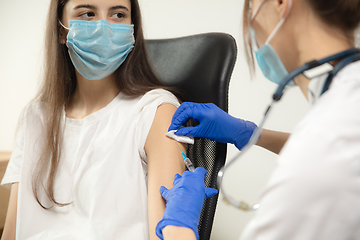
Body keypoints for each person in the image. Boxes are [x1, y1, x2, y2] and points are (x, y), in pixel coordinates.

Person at [155, 0, 360, 239]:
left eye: (251, 9)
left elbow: (325, 151)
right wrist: (251, 134)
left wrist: (178, 221)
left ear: (280, 3)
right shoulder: (344, 107)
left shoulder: (330, 135)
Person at [1, 0, 186, 239]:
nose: (103, 27)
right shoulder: (35, 117)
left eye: (118, 14)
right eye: (88, 13)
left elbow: (169, 233)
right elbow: (12, 233)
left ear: (132, 28)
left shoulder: (155, 111)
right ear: (61, 31)